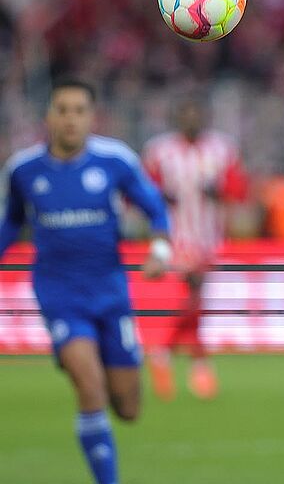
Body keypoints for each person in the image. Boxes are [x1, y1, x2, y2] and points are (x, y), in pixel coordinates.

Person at [0, 78, 171, 484]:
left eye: (79, 111)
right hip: (59, 295)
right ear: (48, 116)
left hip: (110, 295)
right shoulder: (23, 170)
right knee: (90, 388)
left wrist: (160, 250)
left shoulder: (115, 160)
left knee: (127, 408)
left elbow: (154, 207)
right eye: (62, 110)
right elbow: (11, 224)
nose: (70, 119)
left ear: (92, 117)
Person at [142, 98, 247, 400]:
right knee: (193, 293)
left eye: (196, 115)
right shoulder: (160, 151)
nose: (191, 121)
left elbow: (238, 189)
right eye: (186, 115)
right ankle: (196, 363)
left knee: (193, 299)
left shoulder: (221, 149)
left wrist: (219, 191)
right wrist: (161, 196)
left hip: (209, 237)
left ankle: (165, 352)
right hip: (174, 237)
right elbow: (144, 192)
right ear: (178, 119)